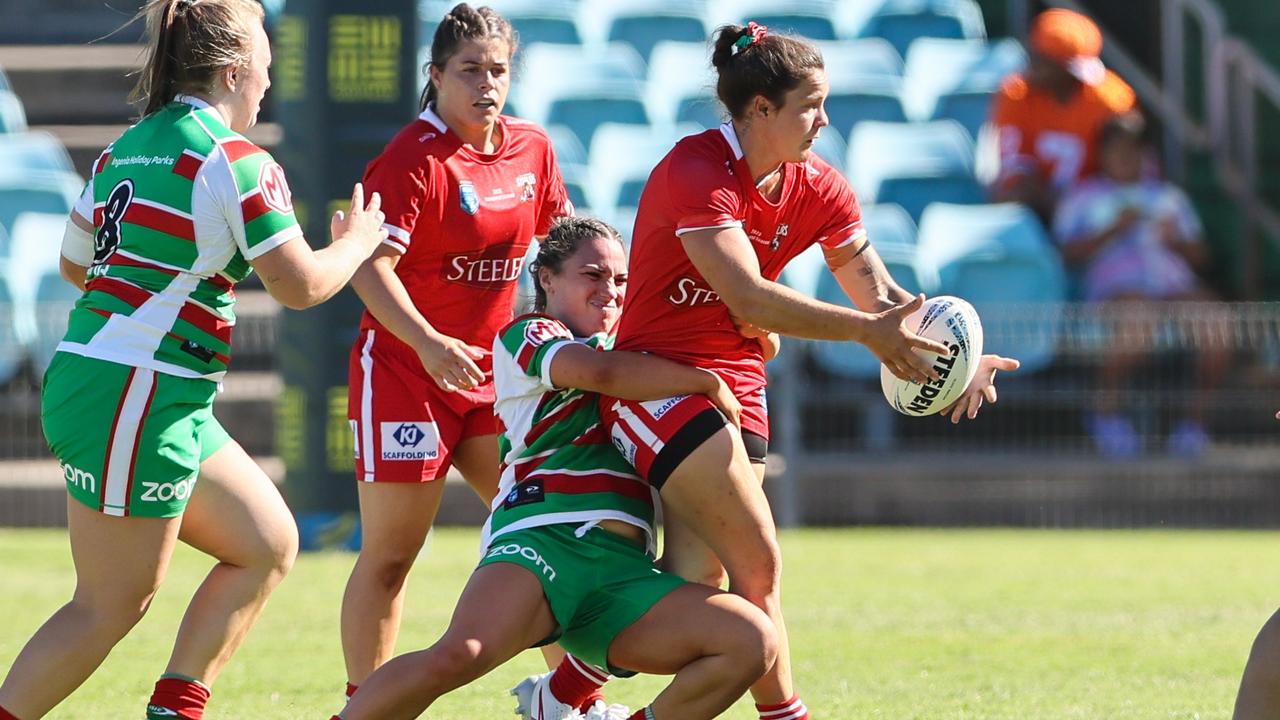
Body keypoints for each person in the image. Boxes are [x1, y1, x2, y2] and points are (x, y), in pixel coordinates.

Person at [509, 23, 1018, 720]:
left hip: (740, 392)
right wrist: (867, 334)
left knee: (697, 580)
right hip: (662, 384)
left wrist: (954, 358)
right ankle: (786, 716)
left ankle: (560, 692)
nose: (826, 120)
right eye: (810, 104)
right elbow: (747, 295)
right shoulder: (695, 171)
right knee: (760, 565)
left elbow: (887, 301)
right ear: (760, 111)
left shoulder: (825, 190)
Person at [0, 1, 388, 718]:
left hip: (138, 388)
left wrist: (164, 287)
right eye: (265, 66)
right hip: (136, 393)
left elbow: (72, 264)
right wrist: (359, 241)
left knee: (267, 542)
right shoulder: (236, 160)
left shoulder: (132, 144)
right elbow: (300, 286)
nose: (269, 82)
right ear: (235, 69)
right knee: (110, 607)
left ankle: (175, 709)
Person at [335, 216, 777, 720]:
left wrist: (751, 329)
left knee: (750, 640)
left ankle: (570, 694)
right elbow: (601, 373)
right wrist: (706, 382)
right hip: (543, 539)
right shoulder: (527, 334)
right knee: (460, 655)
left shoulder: (642, 350)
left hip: (623, 571)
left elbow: (753, 342)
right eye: (592, 274)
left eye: (620, 279)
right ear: (546, 278)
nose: (609, 290)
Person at [338, 1, 578, 706]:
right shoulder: (414, 156)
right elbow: (367, 267)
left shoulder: (532, 148)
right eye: (469, 69)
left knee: (546, 533)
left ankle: (569, 696)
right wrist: (429, 343)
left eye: (498, 70)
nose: (486, 83)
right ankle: (366, 703)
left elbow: (561, 248)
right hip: (407, 374)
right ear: (435, 75)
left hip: (493, 382)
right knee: (390, 558)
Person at [1053, 111, 1227, 457]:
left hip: (1174, 287)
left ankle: (1194, 427)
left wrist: (1174, 239)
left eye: (1131, 150)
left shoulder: (1168, 198)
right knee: (1140, 320)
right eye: (1116, 151)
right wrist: (1112, 231)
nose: (1124, 158)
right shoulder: (1082, 197)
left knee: (1218, 324)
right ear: (1102, 155)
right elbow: (1066, 255)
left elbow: (1201, 257)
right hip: (1117, 291)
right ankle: (1105, 414)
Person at [990, 8, 1136, 221]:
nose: (1073, 80)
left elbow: (1129, 167)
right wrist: (1051, 202)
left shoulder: (1111, 98)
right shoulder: (1015, 95)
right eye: (1063, 69)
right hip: (1036, 206)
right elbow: (1013, 168)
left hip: (1095, 206)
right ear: (1039, 61)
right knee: (1013, 198)